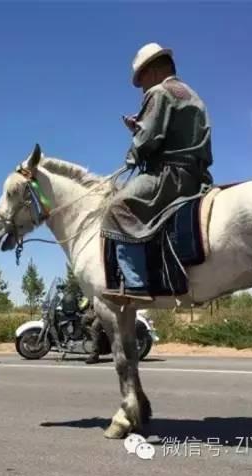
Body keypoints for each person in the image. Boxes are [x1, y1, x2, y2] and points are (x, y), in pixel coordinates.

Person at [101, 43, 213, 304]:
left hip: (169, 176)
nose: (142, 87)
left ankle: (135, 284)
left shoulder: (159, 92)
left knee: (117, 206)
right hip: (195, 176)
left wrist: (132, 156)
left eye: (141, 80)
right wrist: (139, 127)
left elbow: (149, 138)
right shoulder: (190, 94)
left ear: (152, 70)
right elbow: (170, 132)